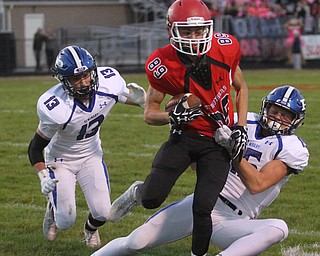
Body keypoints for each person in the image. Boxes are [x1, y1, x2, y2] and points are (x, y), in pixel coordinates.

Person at [92, 85, 309, 256]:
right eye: (275, 110)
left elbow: (257, 184)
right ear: (266, 107)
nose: (278, 117)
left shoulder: (292, 147)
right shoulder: (242, 121)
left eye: (285, 114)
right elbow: (196, 154)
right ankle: (141, 193)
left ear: (295, 120)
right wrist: (164, 113)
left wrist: (232, 149)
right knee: (135, 242)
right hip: (202, 203)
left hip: (235, 221)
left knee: (278, 228)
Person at [108, 0, 249, 255]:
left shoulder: (226, 48)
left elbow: (241, 87)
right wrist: (172, 117)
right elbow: (150, 113)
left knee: (203, 207)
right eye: (186, 31)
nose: (194, 37)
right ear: (171, 30)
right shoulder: (162, 64)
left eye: (198, 31)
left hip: (217, 142)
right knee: (151, 199)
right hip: (184, 136)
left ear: (209, 28)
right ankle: (136, 193)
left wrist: (240, 126)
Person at [27, 45, 146, 247]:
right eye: (76, 78)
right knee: (65, 221)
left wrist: (142, 101)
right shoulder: (56, 106)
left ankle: (90, 230)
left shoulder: (108, 83)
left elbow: (126, 96)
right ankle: (52, 208)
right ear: (64, 80)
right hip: (60, 161)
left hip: (91, 155)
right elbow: (35, 148)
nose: (83, 82)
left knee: (103, 212)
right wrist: (43, 176)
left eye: (86, 75)